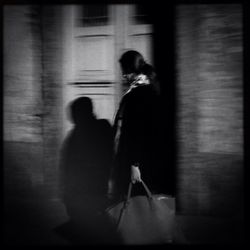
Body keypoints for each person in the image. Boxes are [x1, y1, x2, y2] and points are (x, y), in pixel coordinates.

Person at [109, 50, 165, 199]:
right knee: (139, 200)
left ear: (132, 70)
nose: (123, 76)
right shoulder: (147, 87)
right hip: (142, 157)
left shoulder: (139, 94)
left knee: (136, 202)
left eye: (125, 71)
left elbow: (139, 132)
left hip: (138, 160)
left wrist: (135, 165)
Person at [59, 97, 113, 237]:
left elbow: (67, 167)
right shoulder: (103, 127)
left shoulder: (76, 135)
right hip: (95, 191)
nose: (71, 117)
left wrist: (66, 193)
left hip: (85, 194)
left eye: (74, 113)